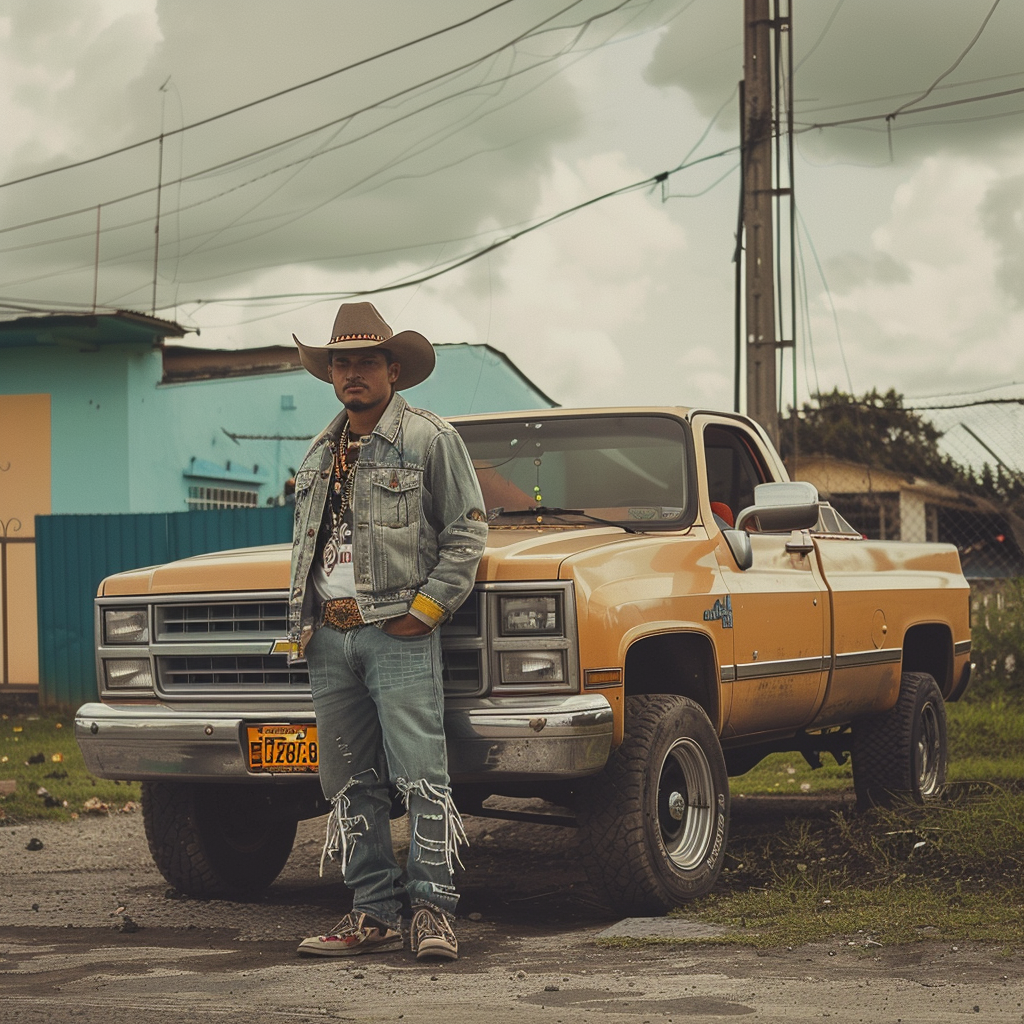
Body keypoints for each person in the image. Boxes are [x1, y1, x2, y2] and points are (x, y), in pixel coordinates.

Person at [287, 302, 487, 960]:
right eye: (341, 361)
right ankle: (371, 911)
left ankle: (433, 910)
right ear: (331, 373)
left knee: (421, 775)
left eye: (366, 361)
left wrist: (427, 608)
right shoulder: (319, 451)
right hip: (328, 636)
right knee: (347, 780)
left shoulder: (429, 439)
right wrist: (306, 621)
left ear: (393, 369)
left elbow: (466, 533)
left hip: (395, 630)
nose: (352, 373)